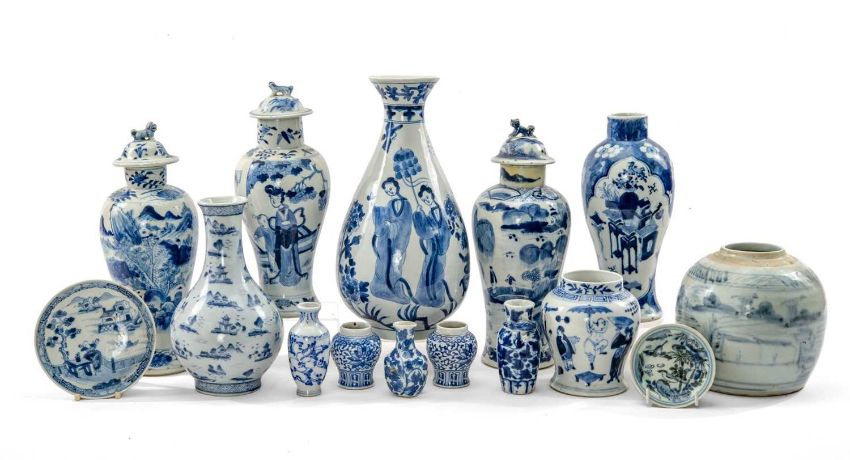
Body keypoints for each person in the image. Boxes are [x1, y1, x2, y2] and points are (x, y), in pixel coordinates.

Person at [370, 178, 413, 303]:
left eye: (391, 188)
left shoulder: (407, 204)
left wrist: (393, 226)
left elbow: (406, 225)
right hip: (387, 241)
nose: (390, 191)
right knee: (384, 263)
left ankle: (396, 290)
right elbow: (385, 218)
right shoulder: (389, 204)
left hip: (399, 241)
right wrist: (383, 220)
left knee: (395, 265)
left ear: (396, 187)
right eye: (387, 191)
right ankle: (382, 289)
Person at [413, 185, 452, 307]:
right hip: (432, 248)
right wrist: (418, 214)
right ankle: (424, 296)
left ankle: (437, 296)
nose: (427, 200)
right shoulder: (428, 215)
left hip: (441, 247)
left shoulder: (444, 210)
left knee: (439, 270)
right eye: (424, 200)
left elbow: (448, 229)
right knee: (428, 270)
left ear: (432, 194)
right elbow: (423, 231)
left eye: (427, 197)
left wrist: (439, 232)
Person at [265, 185, 306, 286]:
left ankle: (292, 278)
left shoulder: (288, 211)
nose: (273, 201)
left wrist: (287, 225)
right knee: (283, 259)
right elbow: (276, 228)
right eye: (272, 198)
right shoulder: (278, 212)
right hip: (281, 240)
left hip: (289, 238)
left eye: (276, 198)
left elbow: (294, 223)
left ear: (281, 198)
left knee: (290, 259)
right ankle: (284, 277)